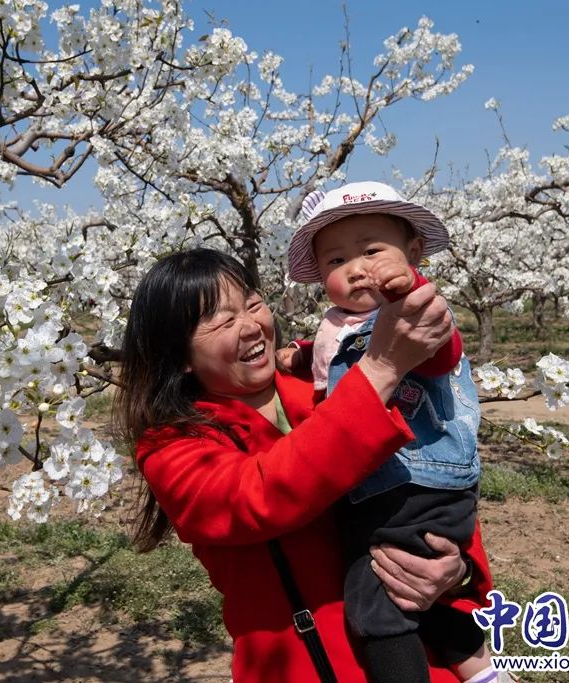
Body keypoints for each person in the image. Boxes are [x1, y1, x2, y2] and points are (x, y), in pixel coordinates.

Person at [114, 247, 494, 683]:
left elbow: (431, 476)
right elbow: (261, 495)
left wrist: (455, 567)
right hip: (305, 667)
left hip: (420, 658)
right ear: (179, 355)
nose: (250, 325)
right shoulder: (172, 445)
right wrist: (382, 369)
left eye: (253, 303)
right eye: (222, 320)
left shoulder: (324, 383)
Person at [286, 181, 503, 683]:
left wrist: (408, 290)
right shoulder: (340, 321)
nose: (357, 268)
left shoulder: (415, 312)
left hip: (417, 485)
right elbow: (333, 351)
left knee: (376, 604)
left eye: (371, 251)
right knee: (410, 591)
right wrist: (298, 354)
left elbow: (442, 351)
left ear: (413, 253)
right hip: (377, 487)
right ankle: (482, 671)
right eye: (336, 261)